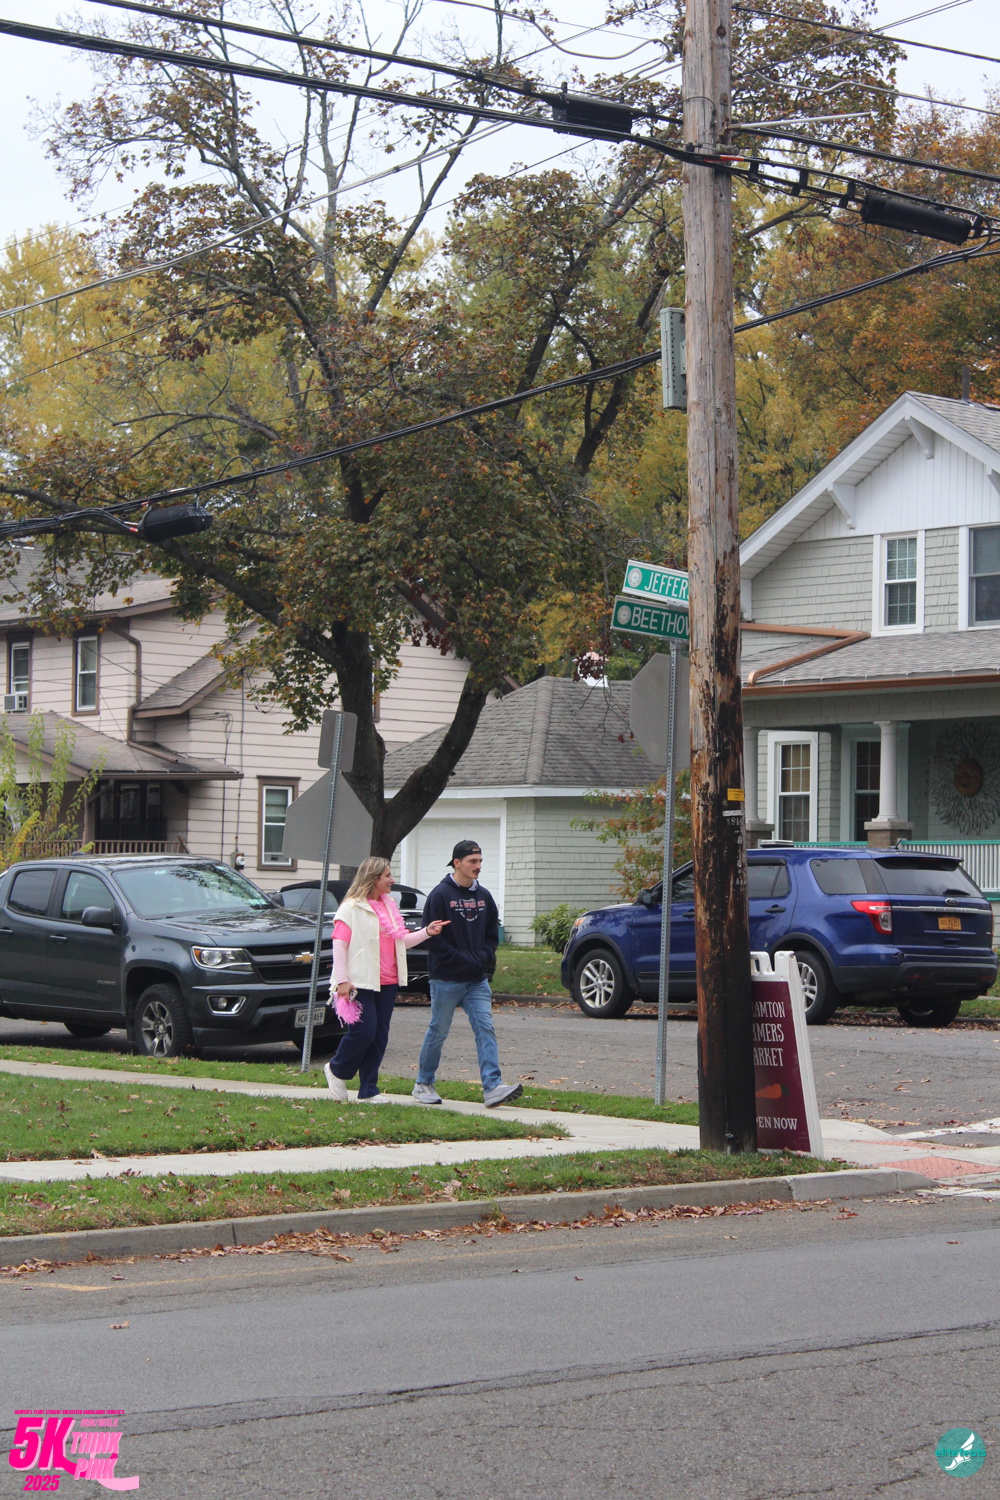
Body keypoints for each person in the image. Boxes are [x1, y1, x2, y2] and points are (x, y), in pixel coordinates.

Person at [324, 856, 448, 1102]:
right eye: (387, 876)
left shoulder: (389, 906)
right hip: (360, 981)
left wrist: (427, 932)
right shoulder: (351, 907)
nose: (392, 880)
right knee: (364, 1032)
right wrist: (342, 980)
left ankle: (369, 1090)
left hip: (388, 981)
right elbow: (339, 944)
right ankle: (337, 1069)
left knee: (379, 1037)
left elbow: (400, 941)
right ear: (373, 878)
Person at [412, 840, 522, 1108]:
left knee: (485, 1028)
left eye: (480, 861)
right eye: (473, 861)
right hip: (446, 978)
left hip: (476, 980)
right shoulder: (440, 895)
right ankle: (423, 1083)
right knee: (439, 1031)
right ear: (457, 863)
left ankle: (493, 1087)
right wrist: (461, 959)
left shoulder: (484, 896)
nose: (478, 866)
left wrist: (483, 957)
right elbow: (433, 939)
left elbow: (491, 935)